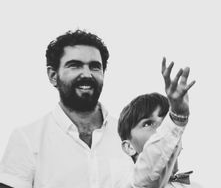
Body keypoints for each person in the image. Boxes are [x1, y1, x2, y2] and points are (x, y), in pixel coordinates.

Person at [0, 29, 132, 188]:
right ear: (53, 76)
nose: (87, 74)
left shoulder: (129, 135)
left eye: (95, 66)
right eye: (75, 65)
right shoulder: (27, 139)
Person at [116, 57, 202, 188]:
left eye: (165, 120)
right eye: (148, 123)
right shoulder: (132, 183)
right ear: (129, 147)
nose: (161, 128)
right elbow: (151, 168)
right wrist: (177, 118)